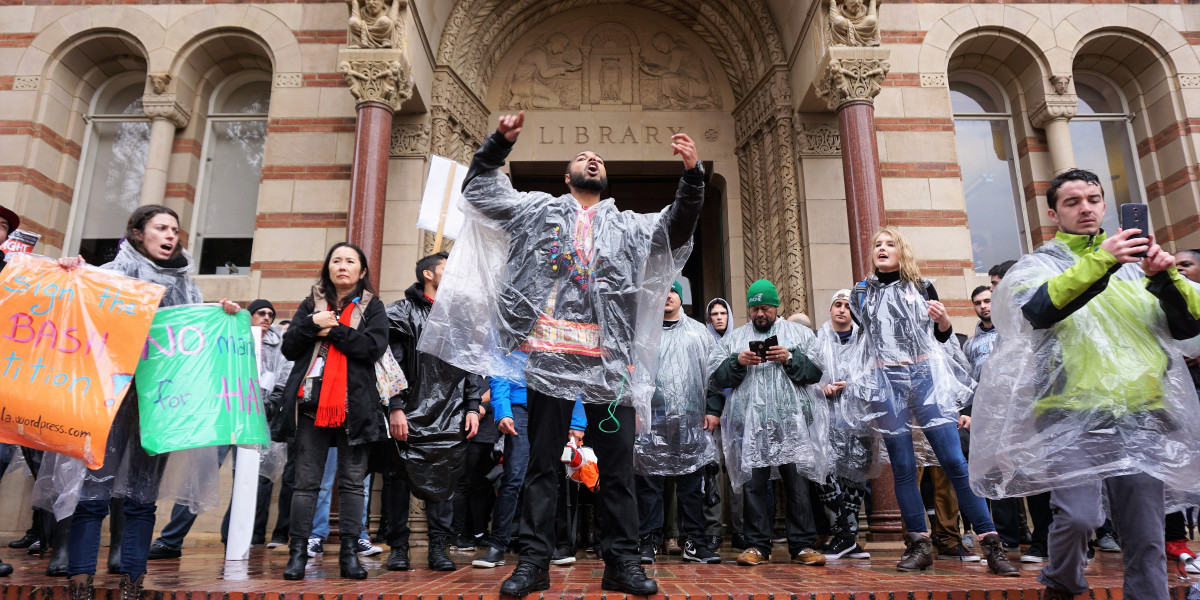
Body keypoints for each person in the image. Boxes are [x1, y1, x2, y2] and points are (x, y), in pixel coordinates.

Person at [420, 111, 703, 596]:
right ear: (565, 176)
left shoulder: (629, 225)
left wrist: (692, 176)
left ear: (606, 177)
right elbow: (479, 193)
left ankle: (622, 564)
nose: (590, 159)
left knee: (616, 471)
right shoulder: (536, 210)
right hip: (548, 360)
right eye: (581, 157)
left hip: (609, 367)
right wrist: (497, 145)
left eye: (597, 159)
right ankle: (532, 563)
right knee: (541, 466)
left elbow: (675, 228)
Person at [970, 169, 1200, 600]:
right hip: (1070, 415)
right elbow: (1038, 310)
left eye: (1093, 198)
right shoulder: (1037, 265)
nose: (1085, 208)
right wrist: (1104, 260)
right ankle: (1062, 578)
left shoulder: (1136, 265)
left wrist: (1163, 277)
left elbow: (1189, 325)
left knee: (1145, 536)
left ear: (1104, 205)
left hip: (1142, 415)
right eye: (1073, 201)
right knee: (1077, 518)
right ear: (1054, 212)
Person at [57, 205, 238, 600]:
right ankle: (80, 581)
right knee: (93, 493)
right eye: (161, 228)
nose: (170, 235)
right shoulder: (106, 276)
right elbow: (69, 312)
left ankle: (132, 582)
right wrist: (69, 271)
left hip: (160, 404)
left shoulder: (189, 289)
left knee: (143, 497)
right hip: (109, 400)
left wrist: (223, 316)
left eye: (175, 229)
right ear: (138, 233)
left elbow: (195, 341)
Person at [843, 227, 1017, 576]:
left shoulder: (922, 287)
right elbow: (865, 342)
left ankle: (991, 544)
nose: (882, 248)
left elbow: (941, 338)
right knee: (904, 467)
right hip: (887, 382)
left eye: (890, 244)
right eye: (877, 244)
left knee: (954, 460)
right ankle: (920, 545)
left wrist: (945, 321)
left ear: (901, 250)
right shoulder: (860, 293)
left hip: (925, 379)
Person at [273, 242, 388, 581]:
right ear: (328, 268)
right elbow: (291, 347)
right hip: (311, 406)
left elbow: (371, 348)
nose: (342, 266)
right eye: (336, 260)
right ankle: (297, 553)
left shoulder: (373, 307)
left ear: (362, 271)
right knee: (306, 484)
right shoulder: (311, 305)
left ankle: (349, 554)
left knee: (353, 485)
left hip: (356, 408)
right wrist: (311, 324)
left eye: (350, 261)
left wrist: (333, 329)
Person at [148, 299, 285, 559]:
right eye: (260, 313)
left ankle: (233, 541)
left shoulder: (279, 348)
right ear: (249, 315)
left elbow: (283, 381)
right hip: (221, 416)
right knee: (197, 479)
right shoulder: (227, 335)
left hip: (256, 421)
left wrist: (269, 405)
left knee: (248, 484)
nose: (266, 317)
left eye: (270, 314)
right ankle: (171, 541)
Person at [705, 279, 828, 567]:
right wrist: (737, 362)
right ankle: (757, 545)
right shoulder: (734, 339)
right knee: (754, 486)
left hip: (791, 424)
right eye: (754, 308)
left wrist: (789, 358)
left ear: (776, 307)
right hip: (751, 426)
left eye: (765, 308)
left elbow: (815, 372)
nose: (760, 314)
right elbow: (716, 379)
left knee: (797, 485)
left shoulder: (798, 334)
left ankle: (802, 545)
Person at [384, 252, 483, 572]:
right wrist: (395, 407)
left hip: (451, 412)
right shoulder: (400, 313)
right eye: (446, 267)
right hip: (408, 412)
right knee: (398, 480)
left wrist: (472, 406)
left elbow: (471, 365)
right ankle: (398, 548)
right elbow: (390, 365)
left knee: (445, 480)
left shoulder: (460, 315)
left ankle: (439, 548)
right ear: (428, 274)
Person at [473, 355, 588, 569]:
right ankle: (498, 545)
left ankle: (543, 545)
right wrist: (503, 411)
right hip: (520, 407)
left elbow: (574, 370)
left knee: (547, 475)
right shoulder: (515, 325)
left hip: (553, 405)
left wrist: (577, 419)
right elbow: (500, 370)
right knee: (514, 476)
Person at [634, 281, 721, 564]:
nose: (667, 296)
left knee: (691, 484)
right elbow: (632, 377)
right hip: (651, 420)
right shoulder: (644, 335)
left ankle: (695, 542)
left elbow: (715, 376)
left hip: (690, 420)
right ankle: (647, 541)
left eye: (672, 291)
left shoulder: (699, 334)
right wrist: (634, 410)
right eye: (662, 291)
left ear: (680, 297)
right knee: (649, 484)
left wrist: (712, 409)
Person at [814, 289, 874, 560]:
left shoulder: (865, 341)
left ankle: (847, 538)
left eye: (847, 306)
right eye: (837, 304)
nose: (842, 310)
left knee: (854, 478)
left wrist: (851, 386)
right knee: (826, 475)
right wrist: (822, 387)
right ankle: (845, 534)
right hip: (826, 419)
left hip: (858, 419)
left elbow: (875, 375)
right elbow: (810, 374)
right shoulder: (818, 340)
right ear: (830, 309)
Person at [1167, 248, 1200, 572]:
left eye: (1186, 265)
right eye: (1173, 266)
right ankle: (1176, 544)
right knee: (1171, 468)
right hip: (1175, 399)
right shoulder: (1165, 300)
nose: (1179, 271)